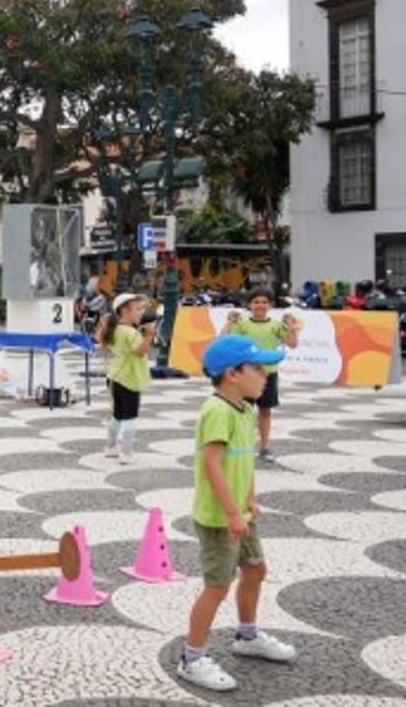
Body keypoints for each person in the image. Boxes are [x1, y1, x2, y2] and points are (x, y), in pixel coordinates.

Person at [178, 334, 298, 692]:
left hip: (240, 513)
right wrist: (231, 513)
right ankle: (192, 657)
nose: (265, 375)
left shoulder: (245, 409)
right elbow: (212, 464)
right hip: (219, 518)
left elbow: (243, 461)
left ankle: (247, 636)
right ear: (232, 374)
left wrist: (249, 500)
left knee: (256, 570)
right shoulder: (217, 410)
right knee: (217, 586)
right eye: (257, 368)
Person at [220, 288, 301, 462]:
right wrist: (229, 322)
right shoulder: (242, 324)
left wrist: (293, 328)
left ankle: (264, 447)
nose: (260, 305)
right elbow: (225, 340)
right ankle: (240, 445)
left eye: (264, 302)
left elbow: (292, 344)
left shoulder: (276, 325)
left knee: (265, 411)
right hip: (246, 375)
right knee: (242, 412)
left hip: (268, 375)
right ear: (248, 305)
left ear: (271, 305)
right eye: (256, 302)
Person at [99, 293, 156, 464]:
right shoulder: (131, 333)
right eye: (138, 309)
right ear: (124, 311)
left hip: (114, 377)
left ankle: (111, 447)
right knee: (130, 416)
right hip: (129, 379)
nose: (142, 312)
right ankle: (126, 452)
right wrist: (149, 335)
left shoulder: (115, 329)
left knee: (117, 415)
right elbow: (140, 352)